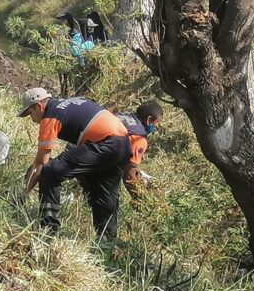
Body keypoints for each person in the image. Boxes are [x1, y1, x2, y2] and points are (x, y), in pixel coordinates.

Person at [19, 88, 132, 240]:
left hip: (106, 144)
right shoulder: (68, 103)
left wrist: (22, 194)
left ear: (39, 106)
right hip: (124, 145)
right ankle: (107, 243)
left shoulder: (50, 116)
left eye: (30, 113)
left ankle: (48, 228)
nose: (32, 119)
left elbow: (40, 164)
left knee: (50, 171)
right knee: (104, 195)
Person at [117, 101, 163, 199]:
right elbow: (129, 175)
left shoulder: (123, 116)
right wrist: (140, 199)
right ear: (149, 119)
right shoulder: (139, 137)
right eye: (157, 122)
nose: (157, 126)